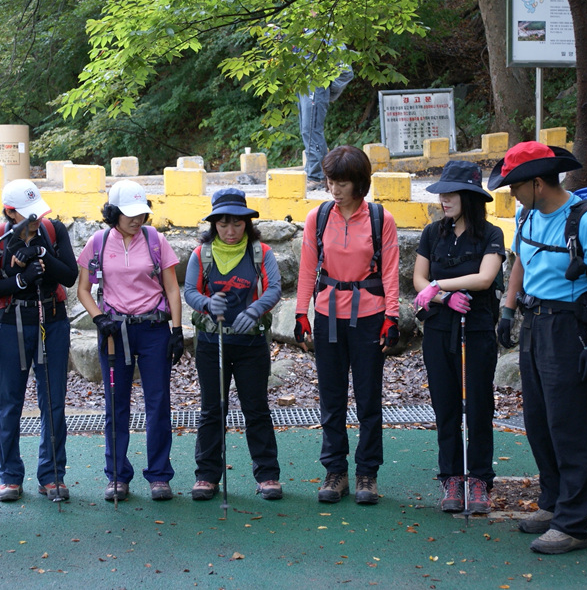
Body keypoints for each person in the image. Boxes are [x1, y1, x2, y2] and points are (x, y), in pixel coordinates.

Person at [488, 141, 587, 555]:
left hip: (570, 328)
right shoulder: (528, 215)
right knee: (539, 420)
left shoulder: (586, 221)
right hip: (535, 323)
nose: (511, 194)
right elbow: (520, 263)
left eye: (515, 187)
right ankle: (553, 504)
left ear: (539, 183)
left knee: (570, 425)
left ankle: (574, 523)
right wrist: (508, 311)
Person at [294, 144, 400, 505]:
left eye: (341, 182)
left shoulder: (379, 218)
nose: (334, 189)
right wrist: (300, 315)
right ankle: (335, 470)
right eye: (330, 181)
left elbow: (389, 269)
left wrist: (392, 316)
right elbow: (309, 267)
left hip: (369, 315)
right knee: (332, 398)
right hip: (327, 315)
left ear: (359, 183)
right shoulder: (318, 217)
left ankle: (367, 474)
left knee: (369, 397)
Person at [76, 180, 184, 502]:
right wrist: (98, 317)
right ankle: (117, 476)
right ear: (114, 212)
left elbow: (173, 288)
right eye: (129, 214)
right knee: (115, 405)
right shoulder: (97, 243)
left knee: (158, 403)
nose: (137, 220)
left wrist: (177, 331)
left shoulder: (155, 240)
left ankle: (160, 476)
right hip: (114, 333)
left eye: (141, 214)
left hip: (153, 330)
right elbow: (83, 288)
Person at [413, 160, 505, 515]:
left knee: (479, 404)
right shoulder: (432, 233)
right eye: (442, 194)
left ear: (469, 196)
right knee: (446, 405)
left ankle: (480, 477)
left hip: (477, 328)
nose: (444, 200)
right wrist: (442, 296)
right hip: (438, 328)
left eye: (451, 194)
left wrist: (440, 284)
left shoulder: (490, 235)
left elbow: (484, 278)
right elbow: (419, 280)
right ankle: (451, 476)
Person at [0, 179, 78, 503]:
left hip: (52, 320)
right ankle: (10, 476)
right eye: (27, 216)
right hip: (11, 324)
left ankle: (52, 476)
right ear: (10, 212)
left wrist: (42, 256)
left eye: (36, 213)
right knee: (10, 402)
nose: (34, 220)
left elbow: (69, 275)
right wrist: (20, 278)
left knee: (54, 401)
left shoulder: (53, 230)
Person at [184, 188, 283, 501]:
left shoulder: (261, 253)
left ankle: (267, 475)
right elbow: (189, 290)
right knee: (213, 410)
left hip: (251, 344)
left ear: (247, 224)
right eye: (223, 224)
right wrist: (207, 303)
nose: (230, 231)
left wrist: (255, 310)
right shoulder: (201, 255)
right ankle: (206, 476)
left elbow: (274, 288)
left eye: (237, 224)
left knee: (256, 409)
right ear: (214, 224)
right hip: (212, 343)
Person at [298, 63, 353, 192]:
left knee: (312, 131)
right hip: (303, 87)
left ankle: (317, 176)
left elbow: (346, 71)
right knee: (307, 131)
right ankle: (313, 173)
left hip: (316, 87)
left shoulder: (329, 42)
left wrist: (327, 90)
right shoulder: (300, 44)